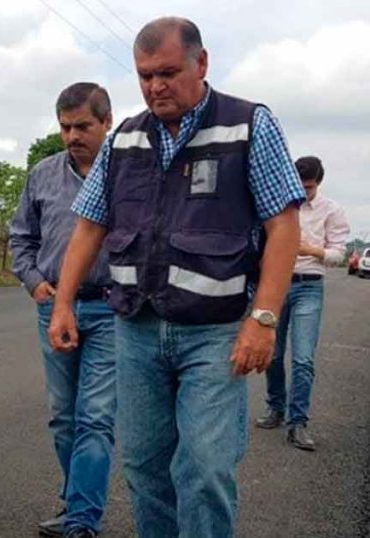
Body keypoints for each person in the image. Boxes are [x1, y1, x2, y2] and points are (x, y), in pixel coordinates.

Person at [48, 17, 305, 538]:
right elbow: (90, 226)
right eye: (144, 75)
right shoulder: (125, 138)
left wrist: (264, 318)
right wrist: (63, 303)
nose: (154, 86)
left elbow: (283, 226)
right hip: (136, 329)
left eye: (166, 72)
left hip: (214, 333)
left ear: (201, 63)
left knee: (205, 469)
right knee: (144, 467)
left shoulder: (248, 125)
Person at [9, 82, 116, 538]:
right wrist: (34, 283)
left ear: (106, 123)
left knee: (95, 415)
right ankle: (77, 499)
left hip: (112, 310)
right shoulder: (42, 174)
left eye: (83, 126)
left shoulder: (128, 173)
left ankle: (81, 520)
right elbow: (20, 237)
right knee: (63, 415)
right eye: (65, 127)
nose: (73, 135)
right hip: (54, 309)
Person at [256, 156, 349, 451]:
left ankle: (298, 423)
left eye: (308, 187)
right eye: (299, 185)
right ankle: (276, 408)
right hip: (277, 284)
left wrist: (307, 248)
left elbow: (338, 255)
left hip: (309, 285)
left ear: (317, 184)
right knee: (272, 353)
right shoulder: (278, 206)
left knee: (303, 358)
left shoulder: (331, 211)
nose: (303, 191)